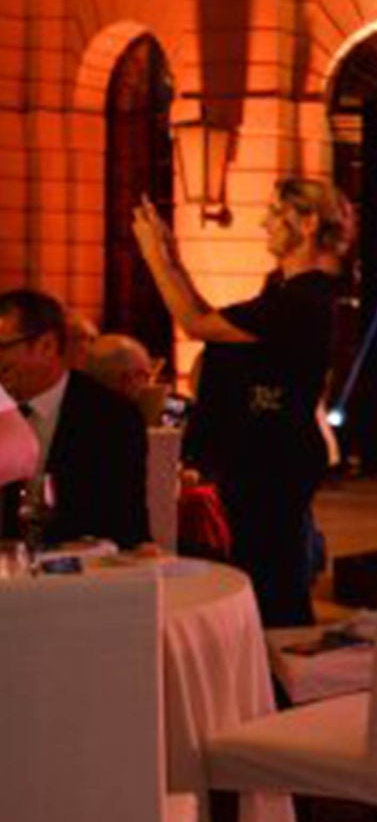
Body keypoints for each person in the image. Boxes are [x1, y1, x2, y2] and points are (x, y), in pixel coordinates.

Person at [132, 181, 350, 624]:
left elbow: (195, 323)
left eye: (277, 212)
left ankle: (278, 659)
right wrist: (173, 260)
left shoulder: (304, 300)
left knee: (273, 585)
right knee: (265, 574)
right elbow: (212, 321)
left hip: (272, 460)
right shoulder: (286, 293)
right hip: (262, 455)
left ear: (309, 223)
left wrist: (154, 257)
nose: (265, 222)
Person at [0, 288, 149, 547]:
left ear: (47, 346)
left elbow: (125, 520)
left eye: (2, 347)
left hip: (82, 564)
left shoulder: (110, 416)